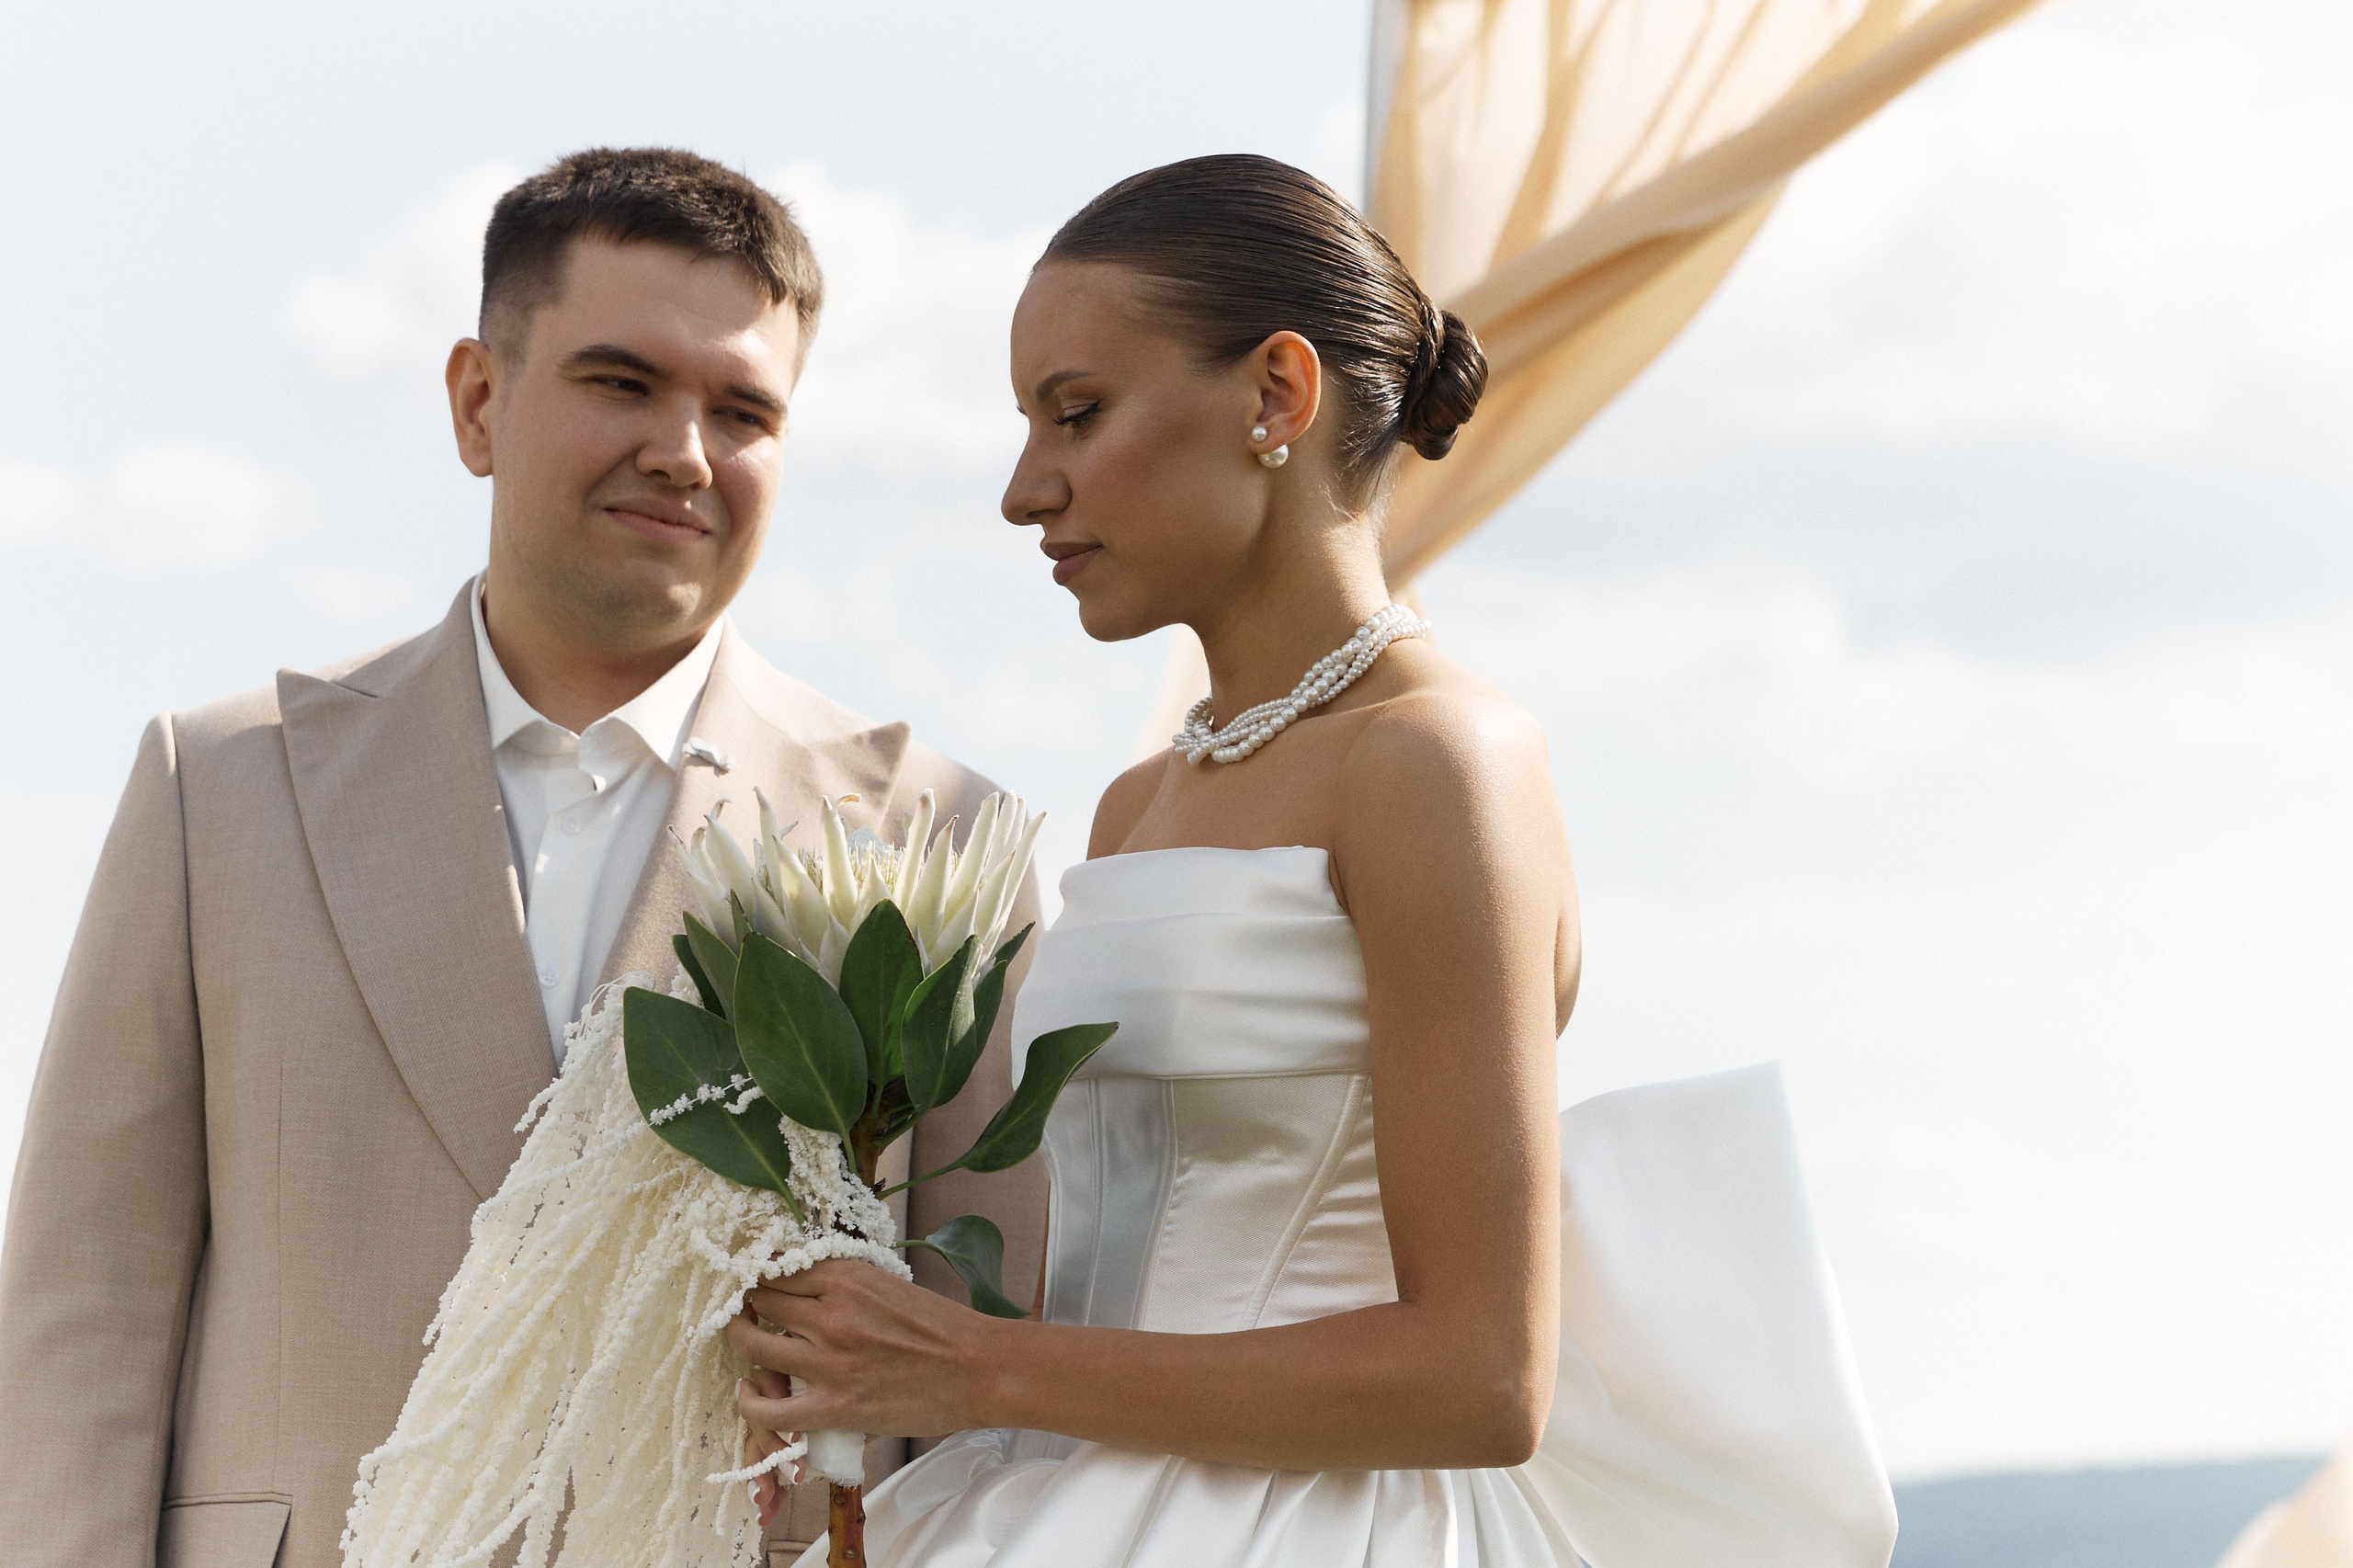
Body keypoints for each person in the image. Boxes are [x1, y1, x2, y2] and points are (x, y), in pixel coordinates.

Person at [726, 155, 1902, 1566]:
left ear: (1278, 396)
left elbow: (1482, 1377)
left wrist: (976, 1370)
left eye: (1078, 415)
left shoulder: (1434, 765)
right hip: (1056, 1509)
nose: (1025, 489)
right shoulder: (1134, 805)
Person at [0, 147, 1040, 1568]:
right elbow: (83, 1314)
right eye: (624, 382)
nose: (685, 447)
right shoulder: (219, 786)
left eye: (743, 409)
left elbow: (993, 1374)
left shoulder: (930, 836)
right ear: (479, 403)